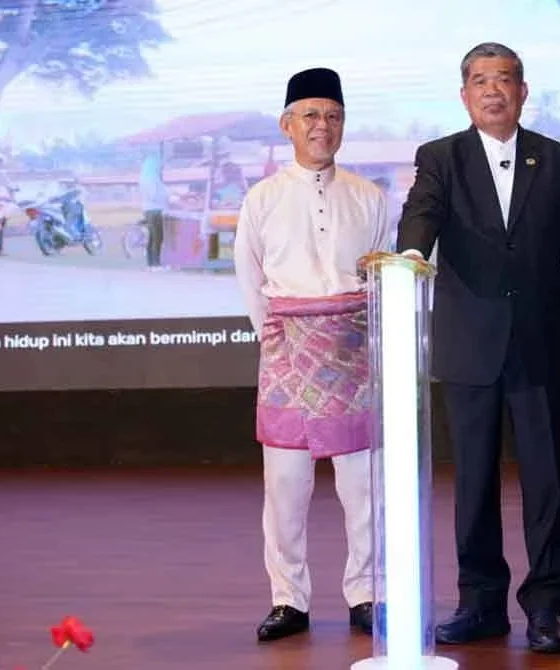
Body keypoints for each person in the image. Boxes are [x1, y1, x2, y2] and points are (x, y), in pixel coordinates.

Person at [396, 42, 560, 654]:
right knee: (473, 479)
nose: (493, 90)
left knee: (545, 480)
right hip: (469, 342)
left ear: (523, 91)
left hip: (537, 342)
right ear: (464, 94)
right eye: (480, 81)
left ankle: (547, 606)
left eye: (504, 80)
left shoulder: (556, 159)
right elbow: (421, 213)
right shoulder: (440, 156)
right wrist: (412, 257)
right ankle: (479, 604)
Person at [233, 67, 389, 644]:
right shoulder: (262, 197)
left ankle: (366, 593)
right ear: (287, 125)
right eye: (311, 115)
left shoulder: (369, 196)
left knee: (363, 487)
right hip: (287, 354)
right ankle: (288, 599)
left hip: (352, 355)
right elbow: (250, 281)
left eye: (333, 115)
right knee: (286, 487)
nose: (322, 126)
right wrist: (280, 340)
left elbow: (379, 279)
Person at [138, 152, 168, 270]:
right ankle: (156, 264)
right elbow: (154, 195)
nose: (161, 168)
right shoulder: (151, 179)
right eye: (160, 166)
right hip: (155, 210)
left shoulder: (145, 178)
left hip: (149, 210)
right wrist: (167, 197)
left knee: (152, 237)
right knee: (158, 238)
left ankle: (151, 264)